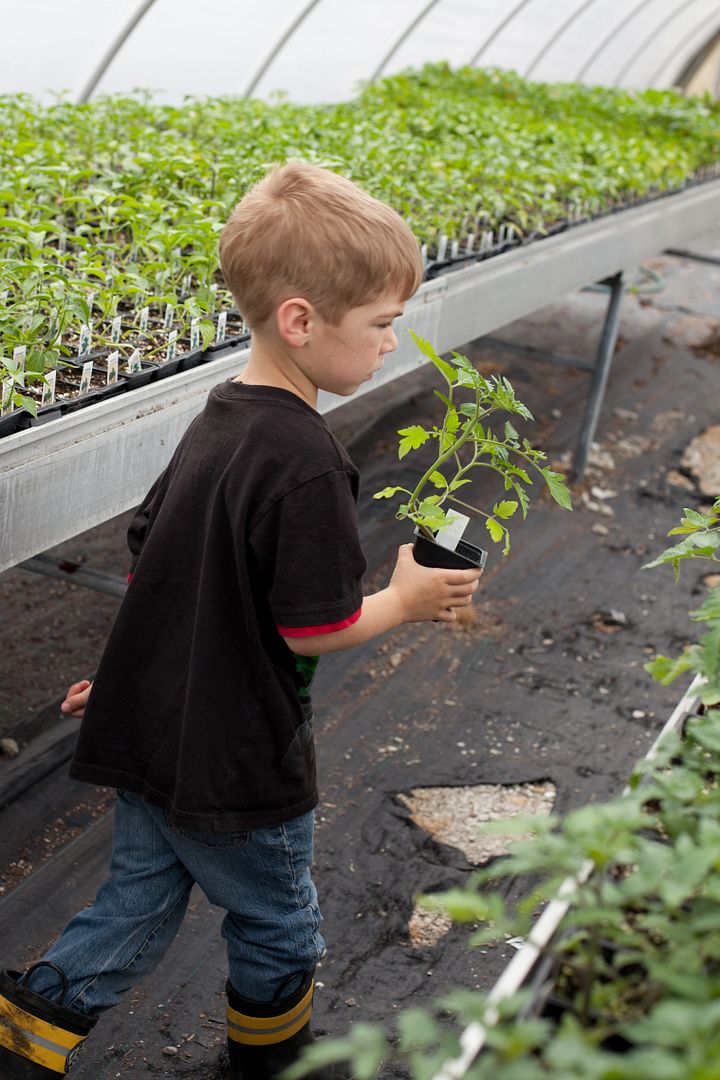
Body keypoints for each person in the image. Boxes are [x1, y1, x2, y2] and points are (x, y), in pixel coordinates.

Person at [0, 163, 483, 1080]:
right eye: (381, 324)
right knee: (279, 920)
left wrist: (125, 683)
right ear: (302, 320)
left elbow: (160, 571)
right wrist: (408, 598)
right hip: (233, 759)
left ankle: (24, 1041)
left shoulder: (217, 421)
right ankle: (271, 1065)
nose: (393, 345)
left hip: (154, 731)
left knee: (136, 900)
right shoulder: (306, 464)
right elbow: (316, 628)